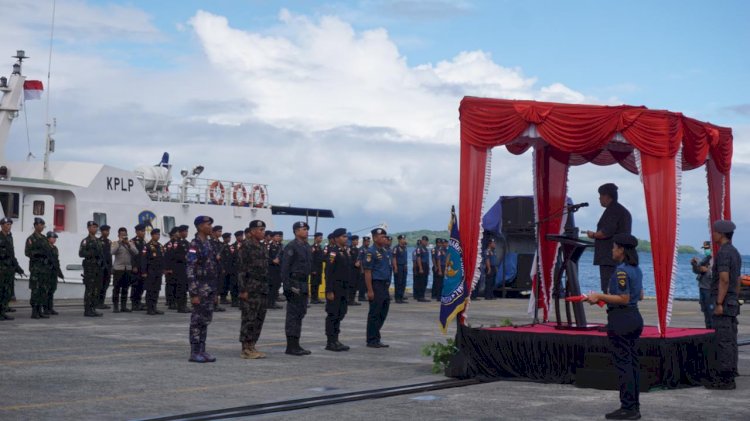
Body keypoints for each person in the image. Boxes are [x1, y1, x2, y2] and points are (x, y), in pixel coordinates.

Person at [585, 233, 643, 420]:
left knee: (624, 365)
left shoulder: (621, 271)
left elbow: (623, 298)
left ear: (621, 250)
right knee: (632, 364)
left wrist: (600, 297)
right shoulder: (637, 269)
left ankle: (628, 408)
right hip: (634, 317)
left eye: (614, 247)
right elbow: (639, 295)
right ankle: (634, 405)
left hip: (621, 319)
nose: (612, 250)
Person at [706, 220, 741, 390]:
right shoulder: (735, 252)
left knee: (723, 340)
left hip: (724, 303)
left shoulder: (724, 253)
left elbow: (724, 279)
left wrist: (719, 302)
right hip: (733, 301)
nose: (713, 235)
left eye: (715, 232)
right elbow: (738, 281)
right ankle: (731, 372)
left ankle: (725, 379)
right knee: (731, 339)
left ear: (721, 234)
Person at [586, 183, 632, 293]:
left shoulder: (614, 210)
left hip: (610, 257)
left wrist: (593, 235)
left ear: (607, 196)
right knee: (616, 287)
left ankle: (613, 308)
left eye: (601, 196)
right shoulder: (619, 210)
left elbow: (606, 232)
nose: (599, 199)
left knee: (610, 288)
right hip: (616, 256)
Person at [187, 216, 221, 363]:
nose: (211, 227)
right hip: (199, 289)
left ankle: (202, 349)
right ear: (200, 226)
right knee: (196, 321)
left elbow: (213, 269)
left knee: (205, 320)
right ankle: (194, 352)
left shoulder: (208, 243)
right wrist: (194, 292)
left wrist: (215, 292)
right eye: (208, 224)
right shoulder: (195, 244)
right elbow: (190, 269)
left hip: (209, 288)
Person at [237, 220, 269, 359]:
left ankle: (252, 345)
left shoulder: (262, 247)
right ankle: (245, 348)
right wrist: (243, 289)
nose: (263, 232)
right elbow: (241, 269)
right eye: (260, 230)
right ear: (252, 231)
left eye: (263, 230)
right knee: (249, 318)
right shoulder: (246, 246)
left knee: (259, 318)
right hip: (250, 288)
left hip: (262, 288)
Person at [281, 221, 313, 356]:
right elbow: (285, 268)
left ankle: (296, 343)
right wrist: (287, 287)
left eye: (307, 229)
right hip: (294, 283)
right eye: (303, 229)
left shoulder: (306, 246)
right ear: (296, 231)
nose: (306, 231)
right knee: (293, 315)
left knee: (301, 313)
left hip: (304, 283)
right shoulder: (291, 247)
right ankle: (291, 346)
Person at [364, 227, 392, 348]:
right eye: (382, 237)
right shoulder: (371, 252)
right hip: (376, 284)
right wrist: (370, 290)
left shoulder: (384, 251)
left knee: (383, 311)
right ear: (375, 238)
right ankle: (371, 339)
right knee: (375, 313)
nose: (385, 239)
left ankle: (376, 336)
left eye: (385, 237)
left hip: (384, 285)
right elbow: (367, 272)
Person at [325, 228, 352, 352]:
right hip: (335, 287)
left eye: (346, 236)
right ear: (336, 239)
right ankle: (331, 342)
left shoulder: (345, 252)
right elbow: (329, 272)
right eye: (343, 237)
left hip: (343, 288)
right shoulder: (333, 252)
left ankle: (336, 339)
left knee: (341, 312)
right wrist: (329, 290)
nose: (345, 239)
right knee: (333, 314)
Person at [26, 217, 52, 319]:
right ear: (35, 225)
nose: (41, 227)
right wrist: (39, 253)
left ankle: (40, 310)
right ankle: (34, 311)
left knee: (43, 290)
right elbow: (27, 252)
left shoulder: (44, 238)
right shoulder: (31, 239)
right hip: (36, 269)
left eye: (43, 225)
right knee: (35, 290)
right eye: (40, 225)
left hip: (44, 269)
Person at [0, 217, 25, 320]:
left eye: (10, 224)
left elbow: (12, 254)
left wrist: (17, 267)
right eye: (7, 224)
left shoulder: (10, 237)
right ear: (2, 225)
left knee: (7, 291)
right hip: (1, 268)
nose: (8, 226)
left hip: (9, 269)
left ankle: (3, 312)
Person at [79, 221, 104, 317]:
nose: (94, 229)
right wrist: (92, 253)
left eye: (95, 227)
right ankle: (87, 309)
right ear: (88, 228)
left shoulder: (98, 241)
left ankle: (93, 308)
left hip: (97, 268)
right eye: (92, 227)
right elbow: (81, 253)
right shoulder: (86, 241)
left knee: (96, 289)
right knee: (89, 289)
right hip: (89, 268)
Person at [111, 227, 138, 312]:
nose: (124, 236)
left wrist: (128, 244)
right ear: (118, 235)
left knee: (125, 288)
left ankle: (123, 306)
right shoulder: (115, 243)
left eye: (125, 235)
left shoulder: (130, 243)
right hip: (118, 269)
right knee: (116, 288)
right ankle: (115, 306)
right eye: (122, 235)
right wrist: (119, 242)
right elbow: (112, 252)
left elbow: (136, 252)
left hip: (128, 268)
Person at [141, 228, 165, 315]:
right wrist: (144, 272)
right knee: (150, 290)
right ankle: (149, 308)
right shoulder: (147, 246)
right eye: (156, 234)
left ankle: (154, 307)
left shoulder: (160, 246)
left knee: (156, 290)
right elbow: (143, 259)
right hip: (150, 271)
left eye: (159, 234)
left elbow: (162, 259)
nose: (158, 236)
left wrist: (163, 269)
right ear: (152, 235)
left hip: (158, 272)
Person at [690, 241, 713, 328]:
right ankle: (708, 328)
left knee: (711, 310)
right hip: (702, 287)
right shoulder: (705, 259)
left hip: (709, 289)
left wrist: (708, 270)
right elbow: (696, 271)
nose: (706, 250)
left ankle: (712, 329)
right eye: (705, 249)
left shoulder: (715, 259)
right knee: (705, 310)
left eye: (707, 248)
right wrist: (694, 264)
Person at [44, 231, 64, 315]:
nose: (54, 239)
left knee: (52, 290)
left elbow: (56, 261)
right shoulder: (45, 248)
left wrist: (59, 272)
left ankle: (50, 307)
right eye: (53, 238)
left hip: (53, 272)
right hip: (47, 272)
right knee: (46, 290)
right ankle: (45, 308)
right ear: (48, 238)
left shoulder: (55, 248)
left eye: (55, 238)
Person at [129, 224, 147, 311]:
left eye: (144, 231)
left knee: (142, 285)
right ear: (137, 232)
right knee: (135, 285)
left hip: (142, 267)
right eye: (141, 231)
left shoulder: (144, 242)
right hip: (136, 267)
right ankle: (134, 303)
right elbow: (131, 255)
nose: (143, 233)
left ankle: (138, 301)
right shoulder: (132, 242)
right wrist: (134, 266)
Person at [174, 225, 191, 313]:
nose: (186, 233)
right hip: (179, 268)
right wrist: (185, 257)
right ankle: (180, 306)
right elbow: (175, 256)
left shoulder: (187, 243)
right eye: (185, 231)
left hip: (186, 268)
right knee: (180, 288)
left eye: (187, 231)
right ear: (180, 232)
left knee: (185, 288)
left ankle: (184, 305)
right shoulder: (177, 243)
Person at [210, 226, 227, 313]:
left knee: (218, 287)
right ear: (213, 232)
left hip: (219, 268)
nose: (220, 233)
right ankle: (212, 304)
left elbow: (223, 258)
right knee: (212, 287)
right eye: (218, 231)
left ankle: (216, 304)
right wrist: (214, 256)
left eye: (221, 231)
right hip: (212, 268)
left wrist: (223, 268)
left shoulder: (220, 244)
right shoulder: (209, 243)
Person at [96, 225, 113, 310]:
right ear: (102, 232)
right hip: (101, 267)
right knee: (100, 285)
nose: (107, 232)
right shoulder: (98, 241)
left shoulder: (109, 242)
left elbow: (110, 255)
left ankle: (102, 302)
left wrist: (111, 267)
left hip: (108, 267)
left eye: (108, 231)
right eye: (105, 231)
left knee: (106, 285)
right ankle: (97, 302)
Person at [267, 231, 283, 309]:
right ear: (272, 237)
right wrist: (272, 261)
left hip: (278, 268)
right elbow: (265, 256)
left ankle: (273, 301)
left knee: (277, 285)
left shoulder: (279, 246)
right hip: (271, 269)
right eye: (276, 236)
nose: (278, 237)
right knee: (271, 286)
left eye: (279, 236)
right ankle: (270, 303)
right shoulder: (269, 246)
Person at [392, 235, 409, 304]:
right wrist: (395, 267)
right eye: (402, 239)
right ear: (399, 240)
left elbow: (405, 257)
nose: (404, 240)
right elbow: (394, 258)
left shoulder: (405, 247)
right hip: (398, 266)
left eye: (404, 239)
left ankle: (401, 297)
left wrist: (406, 265)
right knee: (398, 282)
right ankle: (397, 298)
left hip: (404, 266)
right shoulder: (396, 248)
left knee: (403, 282)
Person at [414, 236, 430, 302]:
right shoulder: (419, 248)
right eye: (424, 241)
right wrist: (420, 268)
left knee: (425, 282)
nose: (425, 242)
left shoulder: (425, 249)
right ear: (422, 241)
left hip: (425, 265)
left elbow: (427, 259)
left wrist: (428, 268)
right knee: (421, 282)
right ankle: (420, 296)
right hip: (421, 265)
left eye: (426, 241)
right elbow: (418, 258)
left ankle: (422, 295)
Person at [230, 230, 244, 307]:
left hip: (243, 269)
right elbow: (231, 258)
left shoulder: (246, 245)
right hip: (235, 269)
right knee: (234, 285)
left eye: (242, 236)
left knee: (242, 285)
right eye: (240, 236)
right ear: (237, 237)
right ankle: (234, 301)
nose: (241, 237)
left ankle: (241, 301)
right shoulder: (232, 246)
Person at [310, 232, 324, 304]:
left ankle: (316, 297)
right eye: (320, 237)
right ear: (316, 238)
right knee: (314, 283)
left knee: (318, 283)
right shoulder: (313, 247)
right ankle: (313, 298)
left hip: (319, 268)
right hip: (314, 268)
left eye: (321, 237)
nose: (321, 239)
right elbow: (311, 259)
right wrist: (312, 269)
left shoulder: (319, 247)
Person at [347, 235, 362, 306]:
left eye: (357, 240)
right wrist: (354, 263)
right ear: (352, 241)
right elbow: (348, 259)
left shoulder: (357, 249)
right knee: (351, 285)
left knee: (356, 285)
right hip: (351, 270)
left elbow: (359, 258)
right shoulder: (349, 249)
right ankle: (349, 299)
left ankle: (352, 299)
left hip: (357, 270)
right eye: (355, 240)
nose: (357, 241)